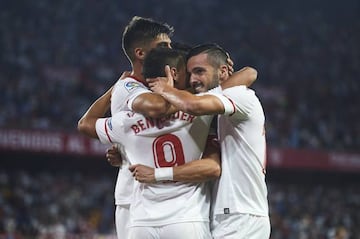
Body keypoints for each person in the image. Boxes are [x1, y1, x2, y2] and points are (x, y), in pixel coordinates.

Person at [78, 47, 257, 238]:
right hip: (186, 220)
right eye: (187, 73)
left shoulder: (125, 121)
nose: (191, 79)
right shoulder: (199, 107)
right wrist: (222, 72)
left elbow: (85, 124)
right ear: (172, 73)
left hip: (142, 223)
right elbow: (247, 76)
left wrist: (114, 90)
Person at [134, 43, 271, 238]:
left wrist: (165, 88)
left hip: (241, 216)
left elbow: (192, 104)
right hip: (229, 215)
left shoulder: (240, 96)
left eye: (199, 71)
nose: (193, 80)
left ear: (223, 71)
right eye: (190, 74)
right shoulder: (222, 104)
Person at [88, 15, 175, 239]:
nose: (170, 51)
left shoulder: (160, 85)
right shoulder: (129, 88)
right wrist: (114, 89)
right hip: (134, 196)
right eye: (163, 46)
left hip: (169, 193)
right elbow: (158, 108)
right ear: (140, 53)